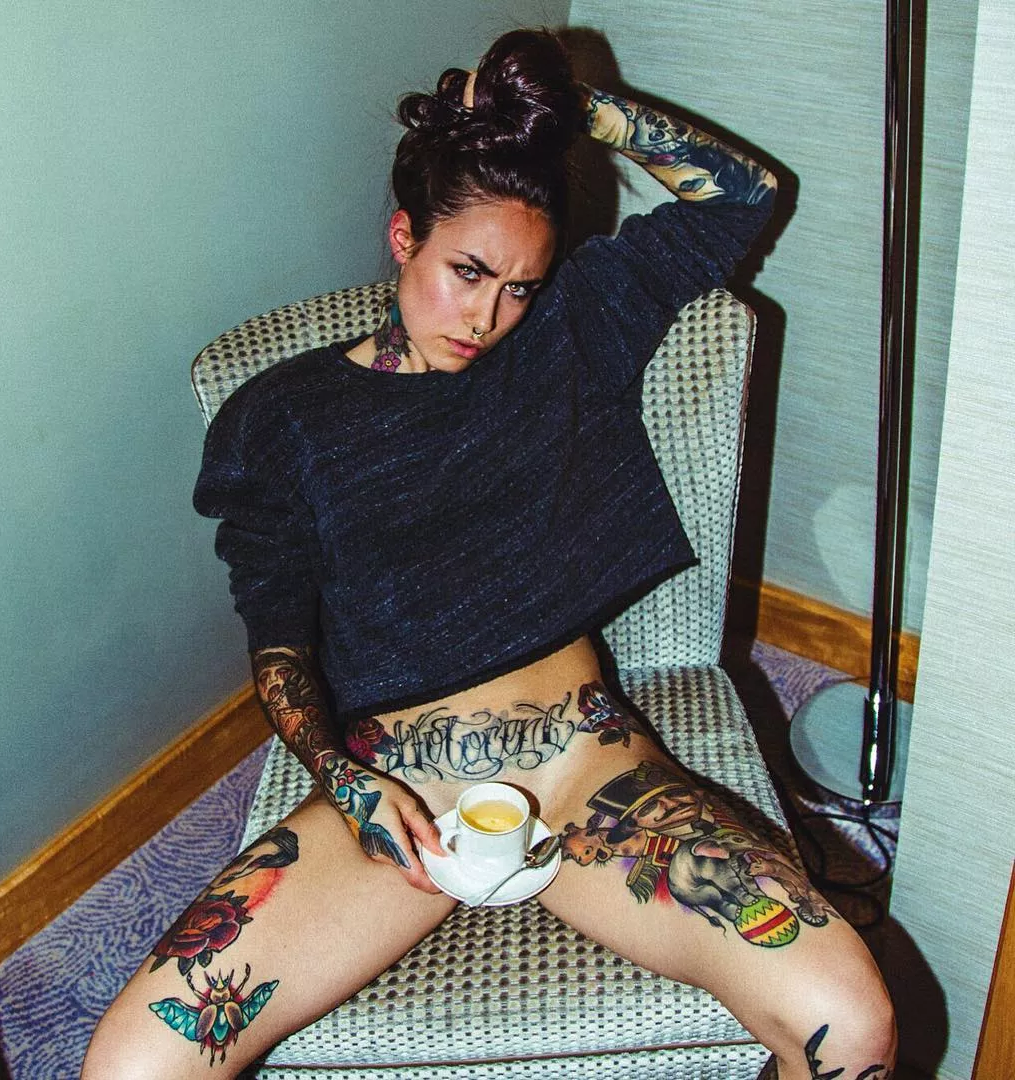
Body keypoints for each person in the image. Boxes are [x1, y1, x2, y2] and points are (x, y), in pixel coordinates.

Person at [82, 28, 896, 1080]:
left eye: (520, 286)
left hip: (586, 774)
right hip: (400, 794)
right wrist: (339, 777)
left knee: (851, 1023)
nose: (489, 315)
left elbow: (745, 197)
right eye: (467, 271)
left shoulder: (571, 334)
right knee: (135, 1061)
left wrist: (568, 108)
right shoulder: (282, 416)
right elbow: (278, 640)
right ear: (403, 236)